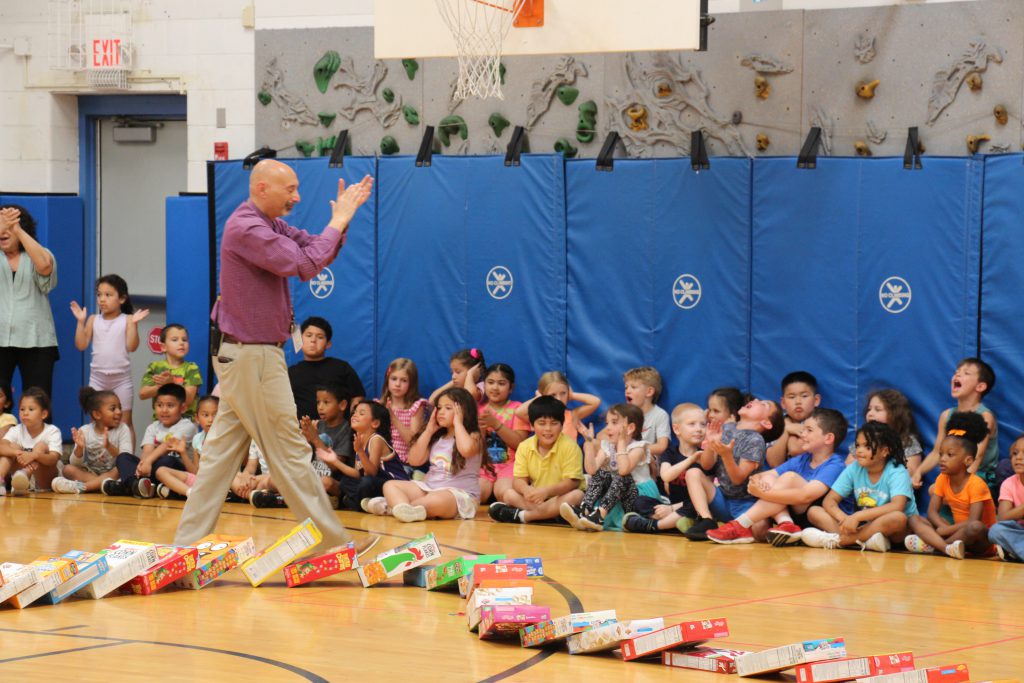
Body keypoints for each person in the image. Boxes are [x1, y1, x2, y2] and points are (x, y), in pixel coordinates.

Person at [172, 160, 377, 556]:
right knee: (289, 449)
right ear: (263, 188)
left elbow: (315, 250)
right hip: (252, 356)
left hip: (247, 354)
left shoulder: (268, 223)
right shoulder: (246, 227)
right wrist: (340, 217)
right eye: (291, 189)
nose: (297, 197)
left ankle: (186, 545)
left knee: (218, 457)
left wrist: (340, 221)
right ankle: (331, 545)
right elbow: (303, 265)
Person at [707, 408, 847, 545]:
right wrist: (755, 480)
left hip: (815, 512)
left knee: (790, 478)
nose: (802, 434)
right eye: (803, 429)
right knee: (770, 479)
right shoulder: (803, 458)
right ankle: (786, 523)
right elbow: (765, 475)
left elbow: (806, 496)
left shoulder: (835, 464)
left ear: (828, 438)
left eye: (809, 430)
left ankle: (740, 524)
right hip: (798, 514)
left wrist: (763, 493)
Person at [802, 421, 916, 552]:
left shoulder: (897, 471)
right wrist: (844, 519)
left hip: (895, 533)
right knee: (814, 511)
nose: (859, 451)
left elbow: (897, 506)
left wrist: (857, 517)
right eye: (858, 445)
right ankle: (866, 542)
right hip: (866, 527)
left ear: (885, 451)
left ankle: (842, 541)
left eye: (867, 446)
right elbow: (829, 501)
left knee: (898, 517)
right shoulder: (854, 468)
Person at [683, 398, 786, 541]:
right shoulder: (727, 427)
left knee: (760, 529)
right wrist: (711, 443)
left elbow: (738, 479)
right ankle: (707, 520)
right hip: (721, 498)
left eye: (763, 404)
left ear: (766, 423)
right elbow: (707, 465)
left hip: (745, 505)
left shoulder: (756, 440)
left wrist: (726, 455)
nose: (755, 400)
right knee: (693, 473)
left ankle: (735, 528)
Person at [381, 387, 489, 522]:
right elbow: (414, 460)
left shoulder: (474, 435)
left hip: (458, 495)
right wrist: (428, 431)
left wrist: (458, 424)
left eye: (448, 408)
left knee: (434, 500)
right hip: (429, 488)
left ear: (463, 411)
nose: (441, 412)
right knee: (390, 485)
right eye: (439, 408)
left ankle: (390, 507)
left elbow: (466, 450)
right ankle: (403, 508)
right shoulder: (437, 437)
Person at [71, 274, 150, 446]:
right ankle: (96, 458)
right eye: (99, 295)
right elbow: (81, 344)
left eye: (108, 295)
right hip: (97, 379)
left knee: (125, 422)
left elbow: (132, 346)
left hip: (121, 380)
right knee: (96, 422)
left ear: (121, 298)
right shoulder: (93, 319)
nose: (102, 299)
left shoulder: (127, 319)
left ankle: (128, 461)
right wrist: (80, 322)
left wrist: (134, 324)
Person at [905, 412, 996, 559]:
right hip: (955, 532)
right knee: (914, 519)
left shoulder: (977, 484)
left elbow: (974, 521)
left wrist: (946, 530)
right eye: (941, 454)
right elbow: (932, 512)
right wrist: (944, 527)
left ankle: (934, 546)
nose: (942, 459)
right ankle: (945, 548)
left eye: (950, 455)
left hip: (980, 541)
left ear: (968, 460)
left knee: (974, 528)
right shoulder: (942, 478)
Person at [561, 403, 657, 532]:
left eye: (614, 423)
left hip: (638, 497)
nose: (607, 428)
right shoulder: (608, 446)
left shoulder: (639, 447)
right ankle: (585, 509)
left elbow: (623, 470)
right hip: (615, 494)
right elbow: (591, 470)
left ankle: (600, 515)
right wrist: (588, 443)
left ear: (630, 428)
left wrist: (622, 442)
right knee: (601, 473)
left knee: (621, 477)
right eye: (607, 423)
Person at [488, 396, 584, 524]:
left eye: (554, 423)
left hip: (560, 496)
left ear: (562, 425)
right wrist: (526, 490)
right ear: (532, 426)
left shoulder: (570, 447)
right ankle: (551, 515)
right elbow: (519, 481)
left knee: (577, 495)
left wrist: (546, 491)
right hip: (538, 499)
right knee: (509, 494)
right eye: (542, 423)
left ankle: (525, 516)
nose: (548, 429)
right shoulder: (524, 446)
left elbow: (572, 483)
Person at [0, 205, 59, 402]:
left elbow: (45, 266)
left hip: (37, 340)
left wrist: (16, 228)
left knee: (37, 402)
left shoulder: (38, 254)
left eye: (11, 226)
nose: (4, 231)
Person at [913, 358, 998, 491]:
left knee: (941, 491)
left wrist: (963, 485)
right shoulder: (946, 415)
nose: (957, 375)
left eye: (966, 373)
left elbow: (977, 456)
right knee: (933, 490)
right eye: (957, 372)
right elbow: (937, 452)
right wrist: (918, 472)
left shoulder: (985, 417)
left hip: (979, 475)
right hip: (954, 474)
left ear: (980, 386)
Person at [623, 402, 707, 534]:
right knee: (640, 501)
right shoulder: (670, 452)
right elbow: (666, 475)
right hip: (670, 505)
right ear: (677, 429)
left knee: (694, 506)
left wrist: (673, 509)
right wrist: (691, 459)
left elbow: (706, 495)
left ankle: (654, 525)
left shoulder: (705, 457)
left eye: (703, 424)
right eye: (692, 424)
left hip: (690, 507)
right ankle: (676, 524)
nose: (699, 429)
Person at [104, 383, 196, 498]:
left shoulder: (187, 426)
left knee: (167, 460)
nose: (164, 410)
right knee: (123, 457)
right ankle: (136, 485)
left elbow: (169, 444)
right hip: (152, 469)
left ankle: (128, 486)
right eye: (159, 405)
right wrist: (142, 465)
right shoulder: (153, 427)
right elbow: (147, 451)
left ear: (183, 408)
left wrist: (148, 462)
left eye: (170, 406)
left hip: (174, 470)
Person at [51, 388, 132, 494]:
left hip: (113, 473)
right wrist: (79, 449)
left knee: (118, 470)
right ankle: (103, 485)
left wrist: (109, 446)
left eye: (119, 408)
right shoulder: (85, 431)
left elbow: (126, 459)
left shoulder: (123, 429)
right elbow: (75, 463)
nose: (119, 412)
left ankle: (82, 487)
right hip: (91, 473)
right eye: (113, 409)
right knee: (68, 469)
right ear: (97, 414)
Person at [288, 316, 365, 421]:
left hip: (339, 434)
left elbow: (357, 396)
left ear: (328, 344)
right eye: (308, 335)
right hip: (301, 433)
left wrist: (351, 423)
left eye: (320, 337)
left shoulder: (341, 368)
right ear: (300, 340)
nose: (313, 340)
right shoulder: (291, 373)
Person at [477, 363, 530, 504]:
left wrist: (495, 424)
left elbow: (520, 444)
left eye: (501, 383)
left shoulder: (518, 409)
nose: (495, 387)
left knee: (502, 491)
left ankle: (532, 511)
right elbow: (475, 448)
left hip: (511, 464)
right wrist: (481, 429)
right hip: (484, 465)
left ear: (511, 388)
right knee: (479, 492)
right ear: (484, 385)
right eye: (490, 382)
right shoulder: (478, 410)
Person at [156, 394, 221, 499]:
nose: (211, 419)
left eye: (215, 415)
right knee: (161, 471)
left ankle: (178, 491)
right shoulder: (197, 439)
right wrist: (183, 453)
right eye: (205, 415)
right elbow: (195, 472)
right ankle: (191, 493)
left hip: (219, 482)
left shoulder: (225, 439)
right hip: (200, 482)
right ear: (197, 418)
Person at [300, 384, 356, 503]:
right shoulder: (316, 426)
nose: (320, 407)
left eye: (326, 402)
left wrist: (315, 439)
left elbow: (336, 466)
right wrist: (306, 439)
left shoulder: (347, 430)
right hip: (312, 478)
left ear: (342, 405)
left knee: (326, 482)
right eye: (318, 402)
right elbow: (300, 459)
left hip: (333, 482)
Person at [0, 387, 60, 495]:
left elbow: (53, 459)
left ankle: (24, 474)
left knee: (41, 446)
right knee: (12, 447)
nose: (25, 413)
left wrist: (34, 455)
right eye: (22, 409)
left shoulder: (52, 431)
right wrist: (18, 452)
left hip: (43, 481)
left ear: (44, 414)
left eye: (31, 409)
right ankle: (2, 481)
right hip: (17, 479)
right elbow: (2, 446)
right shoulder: (16, 430)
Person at [353, 401, 410, 514]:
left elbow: (371, 472)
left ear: (375, 423)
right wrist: (334, 460)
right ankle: (373, 504)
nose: (354, 415)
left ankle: (373, 504)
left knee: (366, 483)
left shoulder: (376, 439)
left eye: (361, 413)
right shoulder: (360, 441)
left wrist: (360, 451)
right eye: (354, 412)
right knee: (346, 482)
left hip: (395, 485)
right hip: (378, 484)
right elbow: (357, 473)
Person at [849, 389, 924, 475]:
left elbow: (912, 474)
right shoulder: (863, 438)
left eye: (878, 410)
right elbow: (848, 466)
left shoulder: (907, 441)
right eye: (869, 409)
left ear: (895, 414)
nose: (870, 413)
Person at [514, 371, 601, 441]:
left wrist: (573, 395)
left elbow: (595, 402)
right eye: (553, 395)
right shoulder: (538, 417)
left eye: (563, 393)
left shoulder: (573, 415)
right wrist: (539, 398)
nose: (559, 399)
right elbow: (519, 412)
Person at [140, 323, 203, 419]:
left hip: (185, 421)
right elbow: (143, 394)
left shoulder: (192, 368)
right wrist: (161, 385)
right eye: (175, 340)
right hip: (160, 421)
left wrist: (172, 383)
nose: (181, 343)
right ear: (163, 347)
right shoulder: (155, 367)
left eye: (184, 340)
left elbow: (189, 399)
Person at [378, 358, 430, 474]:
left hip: (404, 464)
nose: (397, 384)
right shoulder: (378, 405)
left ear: (411, 384)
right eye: (394, 379)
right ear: (387, 380)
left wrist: (392, 416)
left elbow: (413, 441)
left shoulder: (416, 406)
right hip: (380, 461)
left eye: (404, 380)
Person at [766, 371, 821, 468]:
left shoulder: (822, 421)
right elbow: (774, 463)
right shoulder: (776, 422)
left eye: (804, 396)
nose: (798, 402)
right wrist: (786, 429)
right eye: (791, 397)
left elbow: (795, 450)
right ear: (783, 403)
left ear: (816, 400)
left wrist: (788, 426)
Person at [989, 434, 1024, 561]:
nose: (1018, 458)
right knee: (996, 531)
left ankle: (1015, 552)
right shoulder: (1009, 483)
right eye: (1015, 453)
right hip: (1020, 532)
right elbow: (1002, 517)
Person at [622, 366, 670, 457]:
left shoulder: (660, 415)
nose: (627, 391)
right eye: (626, 387)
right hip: (625, 459)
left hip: (647, 462)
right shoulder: (624, 414)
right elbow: (602, 436)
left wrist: (635, 449)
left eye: (633, 387)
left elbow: (661, 446)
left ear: (649, 392)